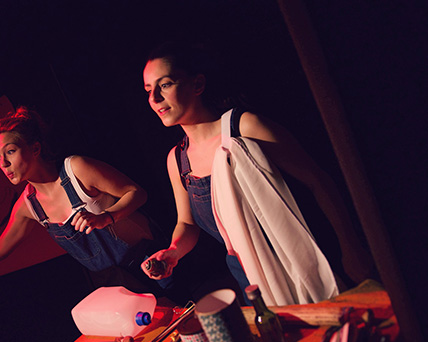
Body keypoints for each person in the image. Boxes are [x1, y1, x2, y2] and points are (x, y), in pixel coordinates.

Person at [140, 42, 373, 306]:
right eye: (148, 90)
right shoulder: (177, 159)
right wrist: (173, 252)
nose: (154, 98)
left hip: (296, 255)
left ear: (197, 84)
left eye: (165, 84)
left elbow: (317, 181)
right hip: (246, 273)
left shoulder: (245, 126)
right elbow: (187, 224)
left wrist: (351, 246)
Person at [0, 107, 181, 302]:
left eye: (10, 151)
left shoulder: (77, 169)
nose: (3, 164)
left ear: (35, 149)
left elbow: (137, 193)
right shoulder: (29, 205)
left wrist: (106, 217)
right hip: (115, 285)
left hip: (152, 260)